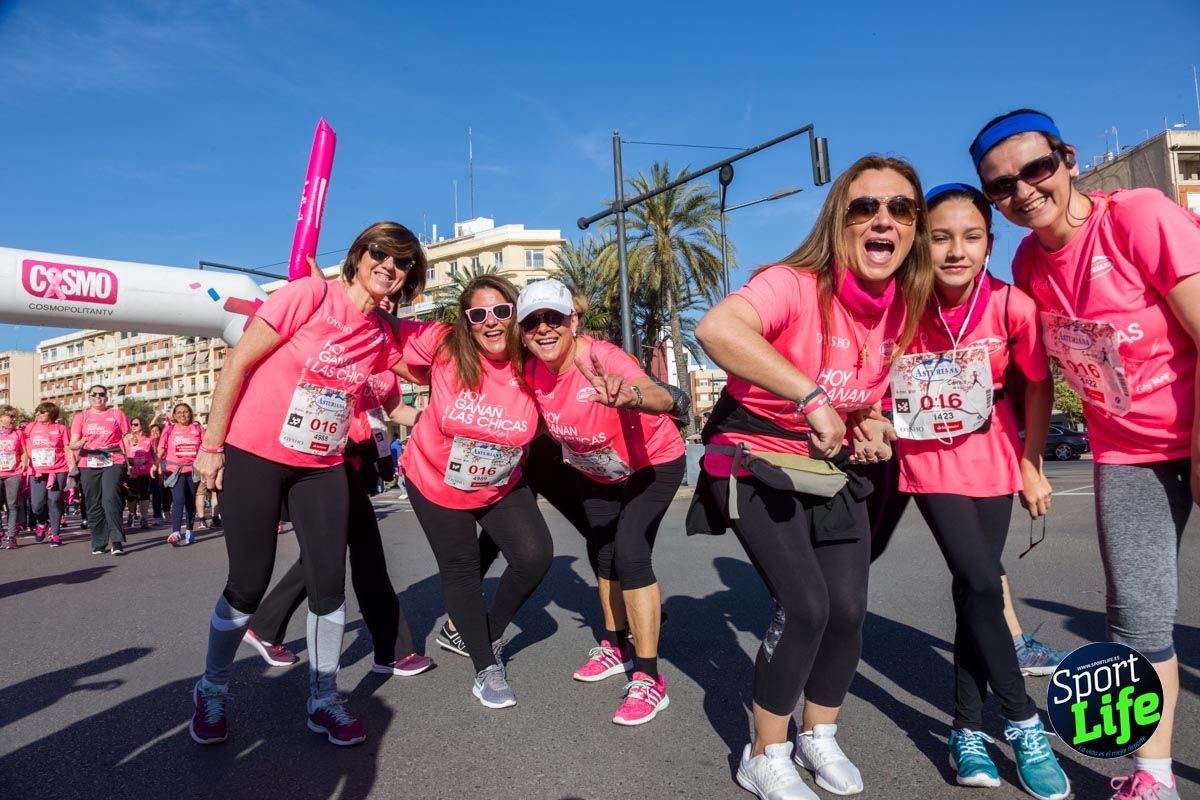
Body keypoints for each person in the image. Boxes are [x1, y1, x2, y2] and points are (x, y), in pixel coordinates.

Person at [973, 109, 1200, 800]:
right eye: (1001, 186)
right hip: (1125, 454)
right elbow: (1038, 372)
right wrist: (1031, 458)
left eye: (1035, 169)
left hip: (1194, 429)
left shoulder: (1138, 215)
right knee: (1136, 616)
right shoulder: (1025, 263)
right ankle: (1153, 777)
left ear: (1067, 159)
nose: (1023, 192)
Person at [694, 155, 932, 799]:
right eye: (865, 207)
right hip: (746, 454)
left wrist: (872, 420)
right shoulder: (792, 283)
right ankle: (763, 751)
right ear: (839, 220)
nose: (883, 220)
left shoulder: (900, 307)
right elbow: (716, 328)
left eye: (900, 209)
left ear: (913, 228)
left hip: (827, 466)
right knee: (804, 606)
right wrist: (810, 396)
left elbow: (866, 397)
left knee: (850, 611)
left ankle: (817, 734)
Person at [188, 222, 427, 747]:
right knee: (248, 583)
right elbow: (238, 360)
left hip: (321, 464)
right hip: (256, 453)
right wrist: (212, 445)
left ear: (410, 276)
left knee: (327, 582)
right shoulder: (309, 294)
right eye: (380, 253)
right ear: (360, 255)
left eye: (403, 261)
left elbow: (401, 398)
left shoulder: (381, 333)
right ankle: (212, 686)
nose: (389, 265)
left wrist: (449, 421)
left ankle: (323, 698)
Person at [887, 182, 1069, 797]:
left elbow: (1037, 386)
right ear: (921, 243)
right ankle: (1023, 723)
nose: (955, 251)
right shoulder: (902, 306)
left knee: (975, 592)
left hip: (993, 458)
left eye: (970, 237)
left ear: (990, 242)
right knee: (983, 581)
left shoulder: (1012, 306)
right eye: (940, 238)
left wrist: (1032, 460)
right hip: (929, 461)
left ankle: (966, 730)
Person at [519, 278, 685, 725]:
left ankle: (650, 679)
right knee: (603, 552)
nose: (544, 329)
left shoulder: (601, 357)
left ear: (572, 320)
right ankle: (615, 645)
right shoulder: (533, 372)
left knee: (631, 550)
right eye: (532, 322)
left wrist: (631, 394)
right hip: (595, 470)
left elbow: (660, 395)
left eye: (553, 318)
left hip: (653, 462)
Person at [402, 274, 551, 709]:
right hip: (433, 477)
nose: (491, 322)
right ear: (466, 322)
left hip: (499, 480)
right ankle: (486, 668)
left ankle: (482, 633)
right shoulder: (444, 345)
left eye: (501, 311)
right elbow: (377, 329)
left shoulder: (533, 364)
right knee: (462, 567)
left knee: (535, 555)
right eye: (478, 314)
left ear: (515, 315)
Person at [243, 369, 433, 678]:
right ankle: (392, 651)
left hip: (354, 465)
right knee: (366, 554)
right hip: (322, 464)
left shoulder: (387, 361)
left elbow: (392, 410)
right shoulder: (338, 349)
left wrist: (437, 421)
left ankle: (266, 625)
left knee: (327, 554)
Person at [69, 385, 131, 555]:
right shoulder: (81, 417)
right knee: (93, 501)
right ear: (89, 397)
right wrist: (80, 443)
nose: (98, 397)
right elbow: (72, 444)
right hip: (88, 461)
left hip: (113, 459)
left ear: (107, 398)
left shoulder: (117, 414)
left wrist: (131, 446)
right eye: (94, 395)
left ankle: (117, 541)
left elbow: (127, 436)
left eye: (101, 394)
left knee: (111, 498)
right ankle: (99, 541)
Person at [25, 402, 74, 547]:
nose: (38, 414)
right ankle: (42, 523)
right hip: (37, 471)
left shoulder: (61, 428)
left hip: (58, 469)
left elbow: (67, 448)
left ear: (51, 414)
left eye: (42, 412)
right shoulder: (30, 428)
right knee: (37, 505)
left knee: (54, 501)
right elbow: (22, 446)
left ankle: (56, 534)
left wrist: (73, 467)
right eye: (37, 412)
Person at [158, 403, 203, 546]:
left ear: (190, 413)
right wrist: (156, 464)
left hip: (193, 470)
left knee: (190, 501)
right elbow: (160, 448)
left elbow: (206, 447)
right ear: (174, 416)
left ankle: (189, 531)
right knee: (179, 498)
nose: (182, 415)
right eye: (179, 412)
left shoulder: (198, 429)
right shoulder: (169, 429)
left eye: (185, 412)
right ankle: (176, 532)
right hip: (174, 470)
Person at [123, 417, 155, 530]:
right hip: (130, 471)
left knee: (144, 495)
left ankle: (144, 518)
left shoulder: (150, 438)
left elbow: (154, 454)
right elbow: (123, 454)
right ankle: (132, 514)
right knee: (130, 496)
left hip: (145, 471)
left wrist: (156, 467)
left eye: (136, 424)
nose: (133, 426)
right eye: (132, 424)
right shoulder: (127, 438)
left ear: (142, 425)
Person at [0, 405, 25, 549]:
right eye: (11, 417)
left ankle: (11, 537)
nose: (13, 420)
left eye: (14, 417)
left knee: (12, 505)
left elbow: (23, 451)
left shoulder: (18, 433)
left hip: (13, 473)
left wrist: (24, 462)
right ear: (1, 418)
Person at [148, 422, 170, 523]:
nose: (155, 432)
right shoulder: (149, 442)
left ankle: (166, 511)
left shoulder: (164, 441)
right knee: (156, 493)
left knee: (167, 492)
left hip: (166, 468)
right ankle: (157, 515)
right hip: (154, 470)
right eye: (152, 431)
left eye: (157, 430)